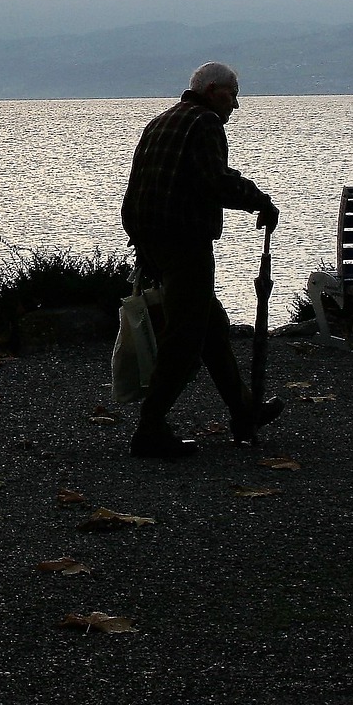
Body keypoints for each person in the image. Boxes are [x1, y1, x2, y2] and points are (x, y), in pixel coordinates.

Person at [120, 62, 284, 459]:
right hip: (185, 241)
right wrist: (260, 201)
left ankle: (244, 411)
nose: (236, 105)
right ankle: (150, 427)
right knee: (185, 338)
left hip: (152, 239)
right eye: (232, 95)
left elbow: (138, 185)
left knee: (211, 326)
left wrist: (141, 243)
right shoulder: (206, 123)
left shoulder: (161, 121)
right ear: (212, 90)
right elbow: (216, 181)